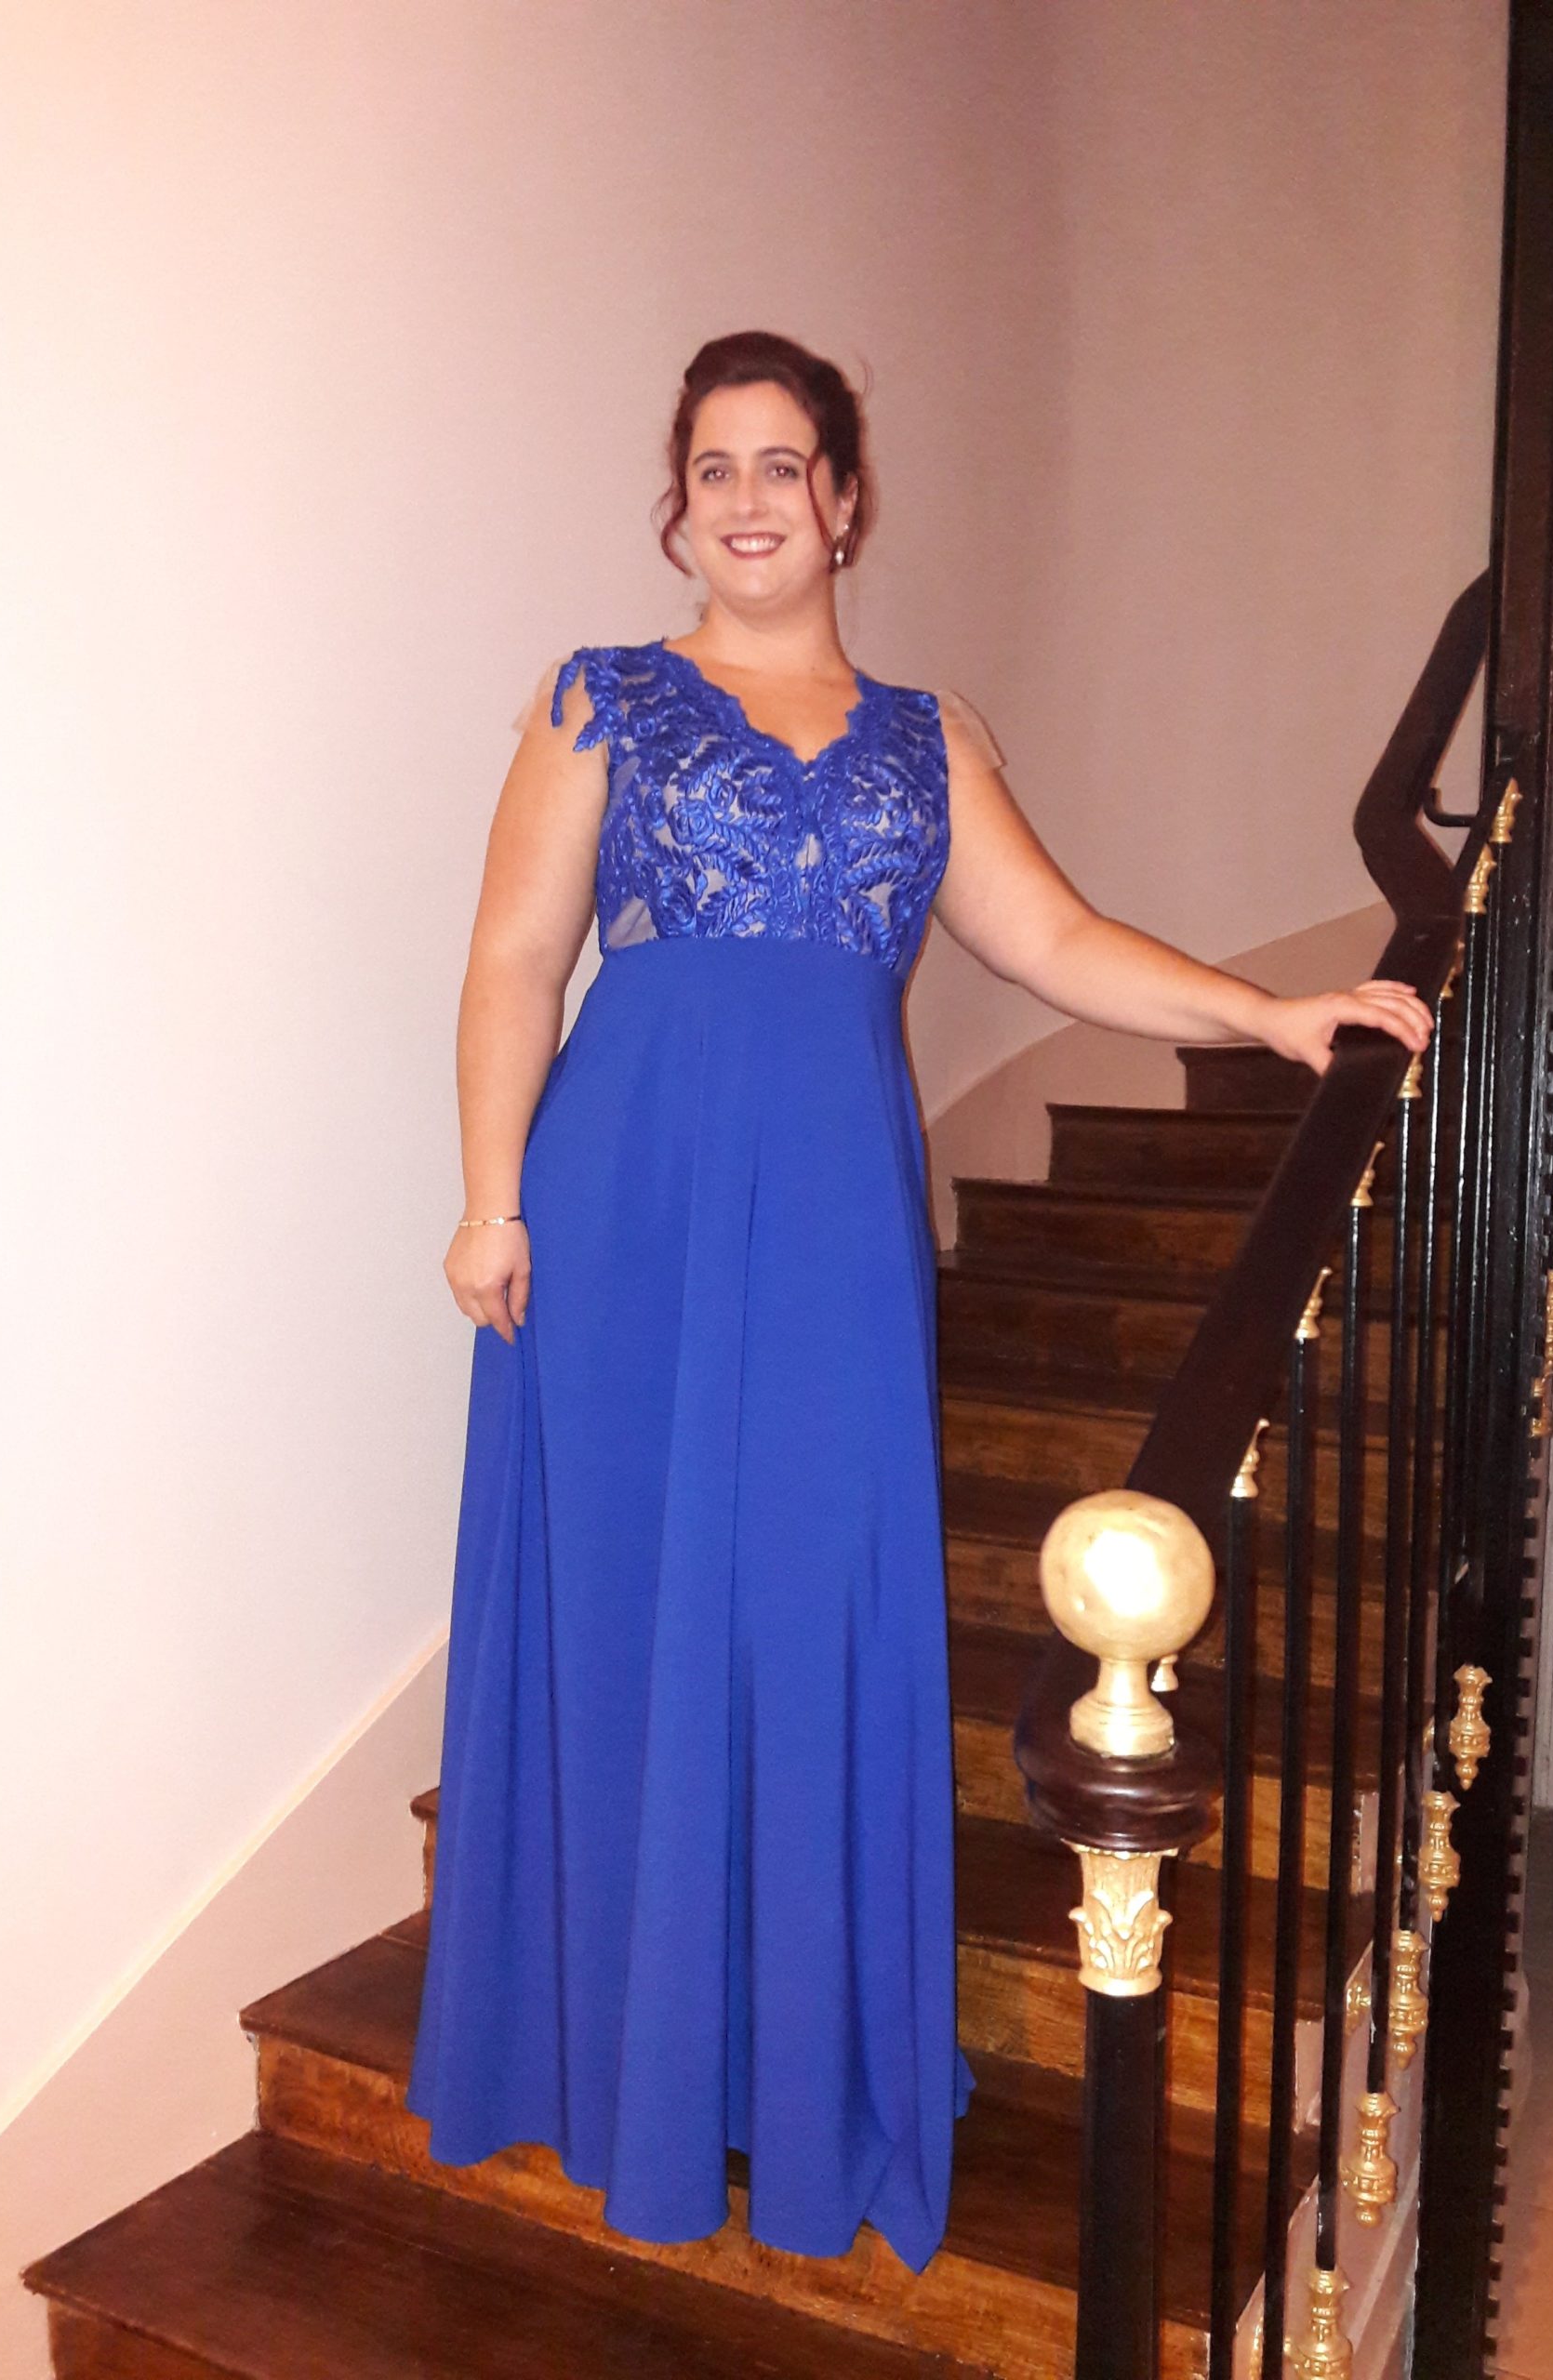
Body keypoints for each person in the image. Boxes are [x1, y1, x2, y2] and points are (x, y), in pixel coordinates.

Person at [404, 329, 1430, 2274]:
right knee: (633, 1615)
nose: (750, 498)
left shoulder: (925, 738)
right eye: (716, 467)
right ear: (677, 507)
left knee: (811, 1608)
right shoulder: (600, 697)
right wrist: (488, 1197)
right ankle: (621, 2055)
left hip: (833, 1229)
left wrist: (1269, 1011)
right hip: (626, 1208)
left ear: (846, 501)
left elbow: (1054, 937)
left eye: (784, 464)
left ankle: (789, 2071)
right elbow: (515, 961)